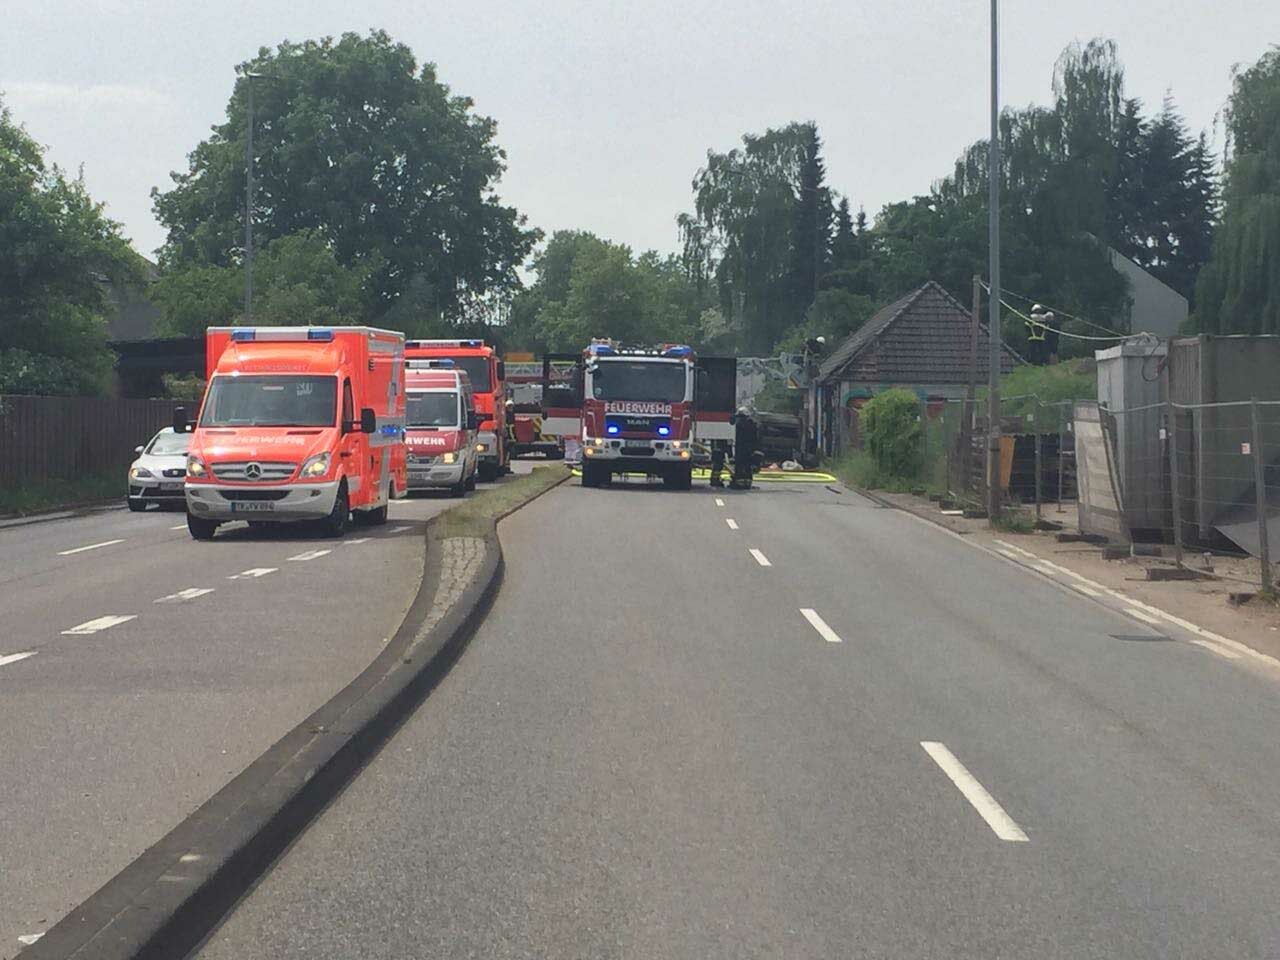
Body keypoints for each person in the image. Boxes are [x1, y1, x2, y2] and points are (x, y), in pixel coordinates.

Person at [730, 406, 758, 490]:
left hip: (741, 448)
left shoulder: (738, 425)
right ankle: (747, 483)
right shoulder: (753, 425)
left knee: (740, 465)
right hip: (749, 449)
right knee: (747, 466)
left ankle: (739, 483)